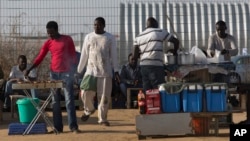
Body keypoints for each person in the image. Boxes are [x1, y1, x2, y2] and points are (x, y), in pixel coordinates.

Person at [24, 21, 80, 133]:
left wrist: (74, 71)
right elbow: (40, 57)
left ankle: (73, 127)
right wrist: (29, 69)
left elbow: (73, 56)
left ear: (56, 29)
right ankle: (57, 127)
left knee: (69, 100)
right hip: (54, 74)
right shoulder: (48, 43)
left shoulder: (67, 39)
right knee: (55, 101)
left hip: (67, 73)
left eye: (51, 32)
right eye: (48, 33)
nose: (50, 35)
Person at [77, 17, 120, 126]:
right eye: (95, 24)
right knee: (85, 92)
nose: (97, 26)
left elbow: (114, 55)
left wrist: (116, 70)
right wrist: (79, 69)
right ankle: (89, 109)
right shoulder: (89, 37)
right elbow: (84, 54)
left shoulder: (109, 38)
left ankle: (102, 119)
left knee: (104, 97)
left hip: (105, 72)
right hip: (91, 71)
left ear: (104, 26)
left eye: (99, 25)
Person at [133, 17, 179, 91]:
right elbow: (176, 41)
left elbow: (134, 56)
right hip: (156, 66)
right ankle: (160, 102)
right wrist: (175, 52)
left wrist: (144, 54)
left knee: (147, 91)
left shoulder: (139, 36)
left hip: (143, 67)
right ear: (156, 24)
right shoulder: (159, 31)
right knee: (159, 89)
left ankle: (149, 103)